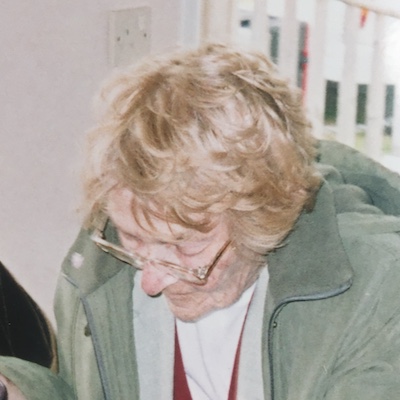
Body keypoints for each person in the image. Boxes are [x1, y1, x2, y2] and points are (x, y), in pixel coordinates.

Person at [1, 43, 400, 399]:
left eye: (182, 246)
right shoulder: (100, 263)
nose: (150, 281)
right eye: (133, 239)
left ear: (262, 221)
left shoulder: (377, 293)